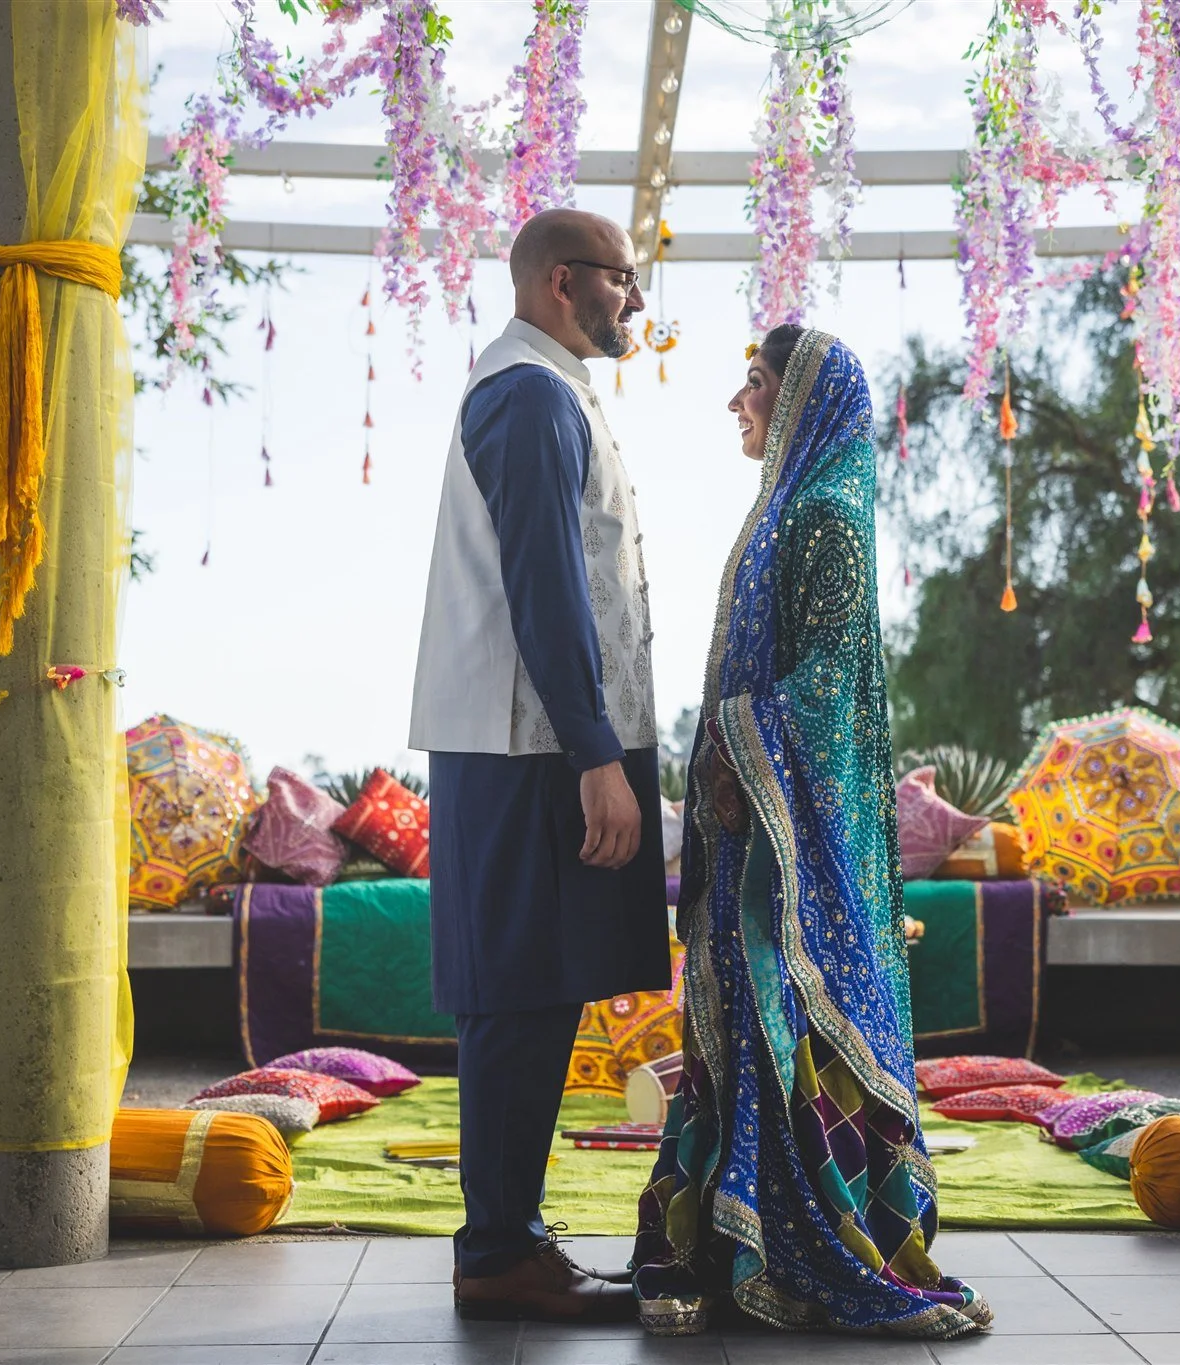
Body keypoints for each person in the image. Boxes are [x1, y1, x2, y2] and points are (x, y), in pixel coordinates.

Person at [629, 327, 991, 1339]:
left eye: (753, 384)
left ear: (800, 401)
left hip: (785, 845)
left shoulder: (822, 513)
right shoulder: (784, 508)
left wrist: (735, 741)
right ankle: (722, 1246)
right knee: (739, 1030)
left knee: (781, 1026)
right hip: (753, 825)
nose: (736, 402)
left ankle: (797, 1252)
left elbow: (829, 684)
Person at [409, 208, 671, 1322]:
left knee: (536, 990)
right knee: (518, 995)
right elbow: (546, 583)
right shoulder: (527, 395)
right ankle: (498, 1253)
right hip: (528, 746)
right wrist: (594, 754)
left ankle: (507, 1239)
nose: (635, 300)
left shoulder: (547, 387)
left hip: (534, 741)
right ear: (562, 281)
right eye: (622, 279)